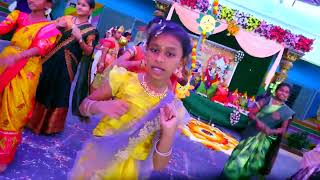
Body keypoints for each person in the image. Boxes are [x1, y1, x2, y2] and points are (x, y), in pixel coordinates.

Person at [69, 20, 192, 179]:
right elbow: (83, 106)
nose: (160, 58)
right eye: (155, 50)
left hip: (127, 172)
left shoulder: (173, 108)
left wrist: (168, 133)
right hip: (95, 162)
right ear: (146, 51)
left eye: (170, 54)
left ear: (181, 62)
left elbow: (159, 165)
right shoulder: (122, 79)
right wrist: (101, 107)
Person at [0, 0, 60, 171]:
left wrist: (18, 57)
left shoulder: (50, 29)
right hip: (5, 62)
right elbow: (3, 28)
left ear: (48, 4)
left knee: (15, 109)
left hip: (26, 70)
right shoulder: (18, 15)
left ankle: (3, 156)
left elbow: (40, 48)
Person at [27, 0, 98, 134]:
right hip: (50, 58)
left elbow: (89, 51)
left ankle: (49, 126)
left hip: (68, 65)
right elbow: (47, 30)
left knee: (58, 90)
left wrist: (80, 39)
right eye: (78, 4)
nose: (79, 7)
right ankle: (28, 118)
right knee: (40, 84)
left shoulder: (91, 30)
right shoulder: (66, 19)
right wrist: (56, 26)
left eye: (84, 5)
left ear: (90, 10)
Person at [222, 83, 295, 179]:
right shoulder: (267, 100)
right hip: (253, 132)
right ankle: (229, 176)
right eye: (281, 90)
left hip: (265, 139)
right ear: (276, 90)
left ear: (288, 95)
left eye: (286, 92)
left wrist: (271, 131)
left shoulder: (287, 112)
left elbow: (283, 129)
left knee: (254, 163)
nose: (283, 93)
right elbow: (251, 113)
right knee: (239, 157)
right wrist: (258, 122)